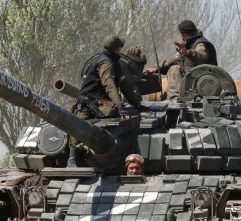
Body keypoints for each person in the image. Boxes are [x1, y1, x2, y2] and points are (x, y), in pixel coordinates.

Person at [68, 35, 132, 167]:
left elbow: (123, 84)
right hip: (87, 103)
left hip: (99, 103)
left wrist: (136, 104)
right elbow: (109, 85)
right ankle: (72, 158)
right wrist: (121, 107)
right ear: (117, 49)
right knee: (77, 126)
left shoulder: (113, 61)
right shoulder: (106, 64)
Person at [144, 20, 217, 100]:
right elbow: (174, 59)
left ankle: (175, 99)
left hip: (204, 81)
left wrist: (188, 53)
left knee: (174, 69)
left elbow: (201, 56)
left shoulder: (200, 44)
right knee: (174, 67)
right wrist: (157, 69)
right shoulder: (189, 45)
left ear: (183, 34)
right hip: (194, 80)